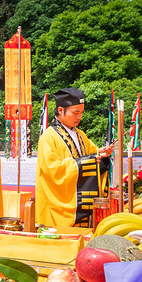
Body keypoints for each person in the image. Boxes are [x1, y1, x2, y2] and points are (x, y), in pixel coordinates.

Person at [36, 88, 113, 228]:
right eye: (75, 112)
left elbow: (93, 155)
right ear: (60, 110)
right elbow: (52, 170)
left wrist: (102, 154)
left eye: (81, 113)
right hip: (59, 207)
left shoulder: (80, 135)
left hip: (80, 202)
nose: (79, 117)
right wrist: (88, 162)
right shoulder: (48, 137)